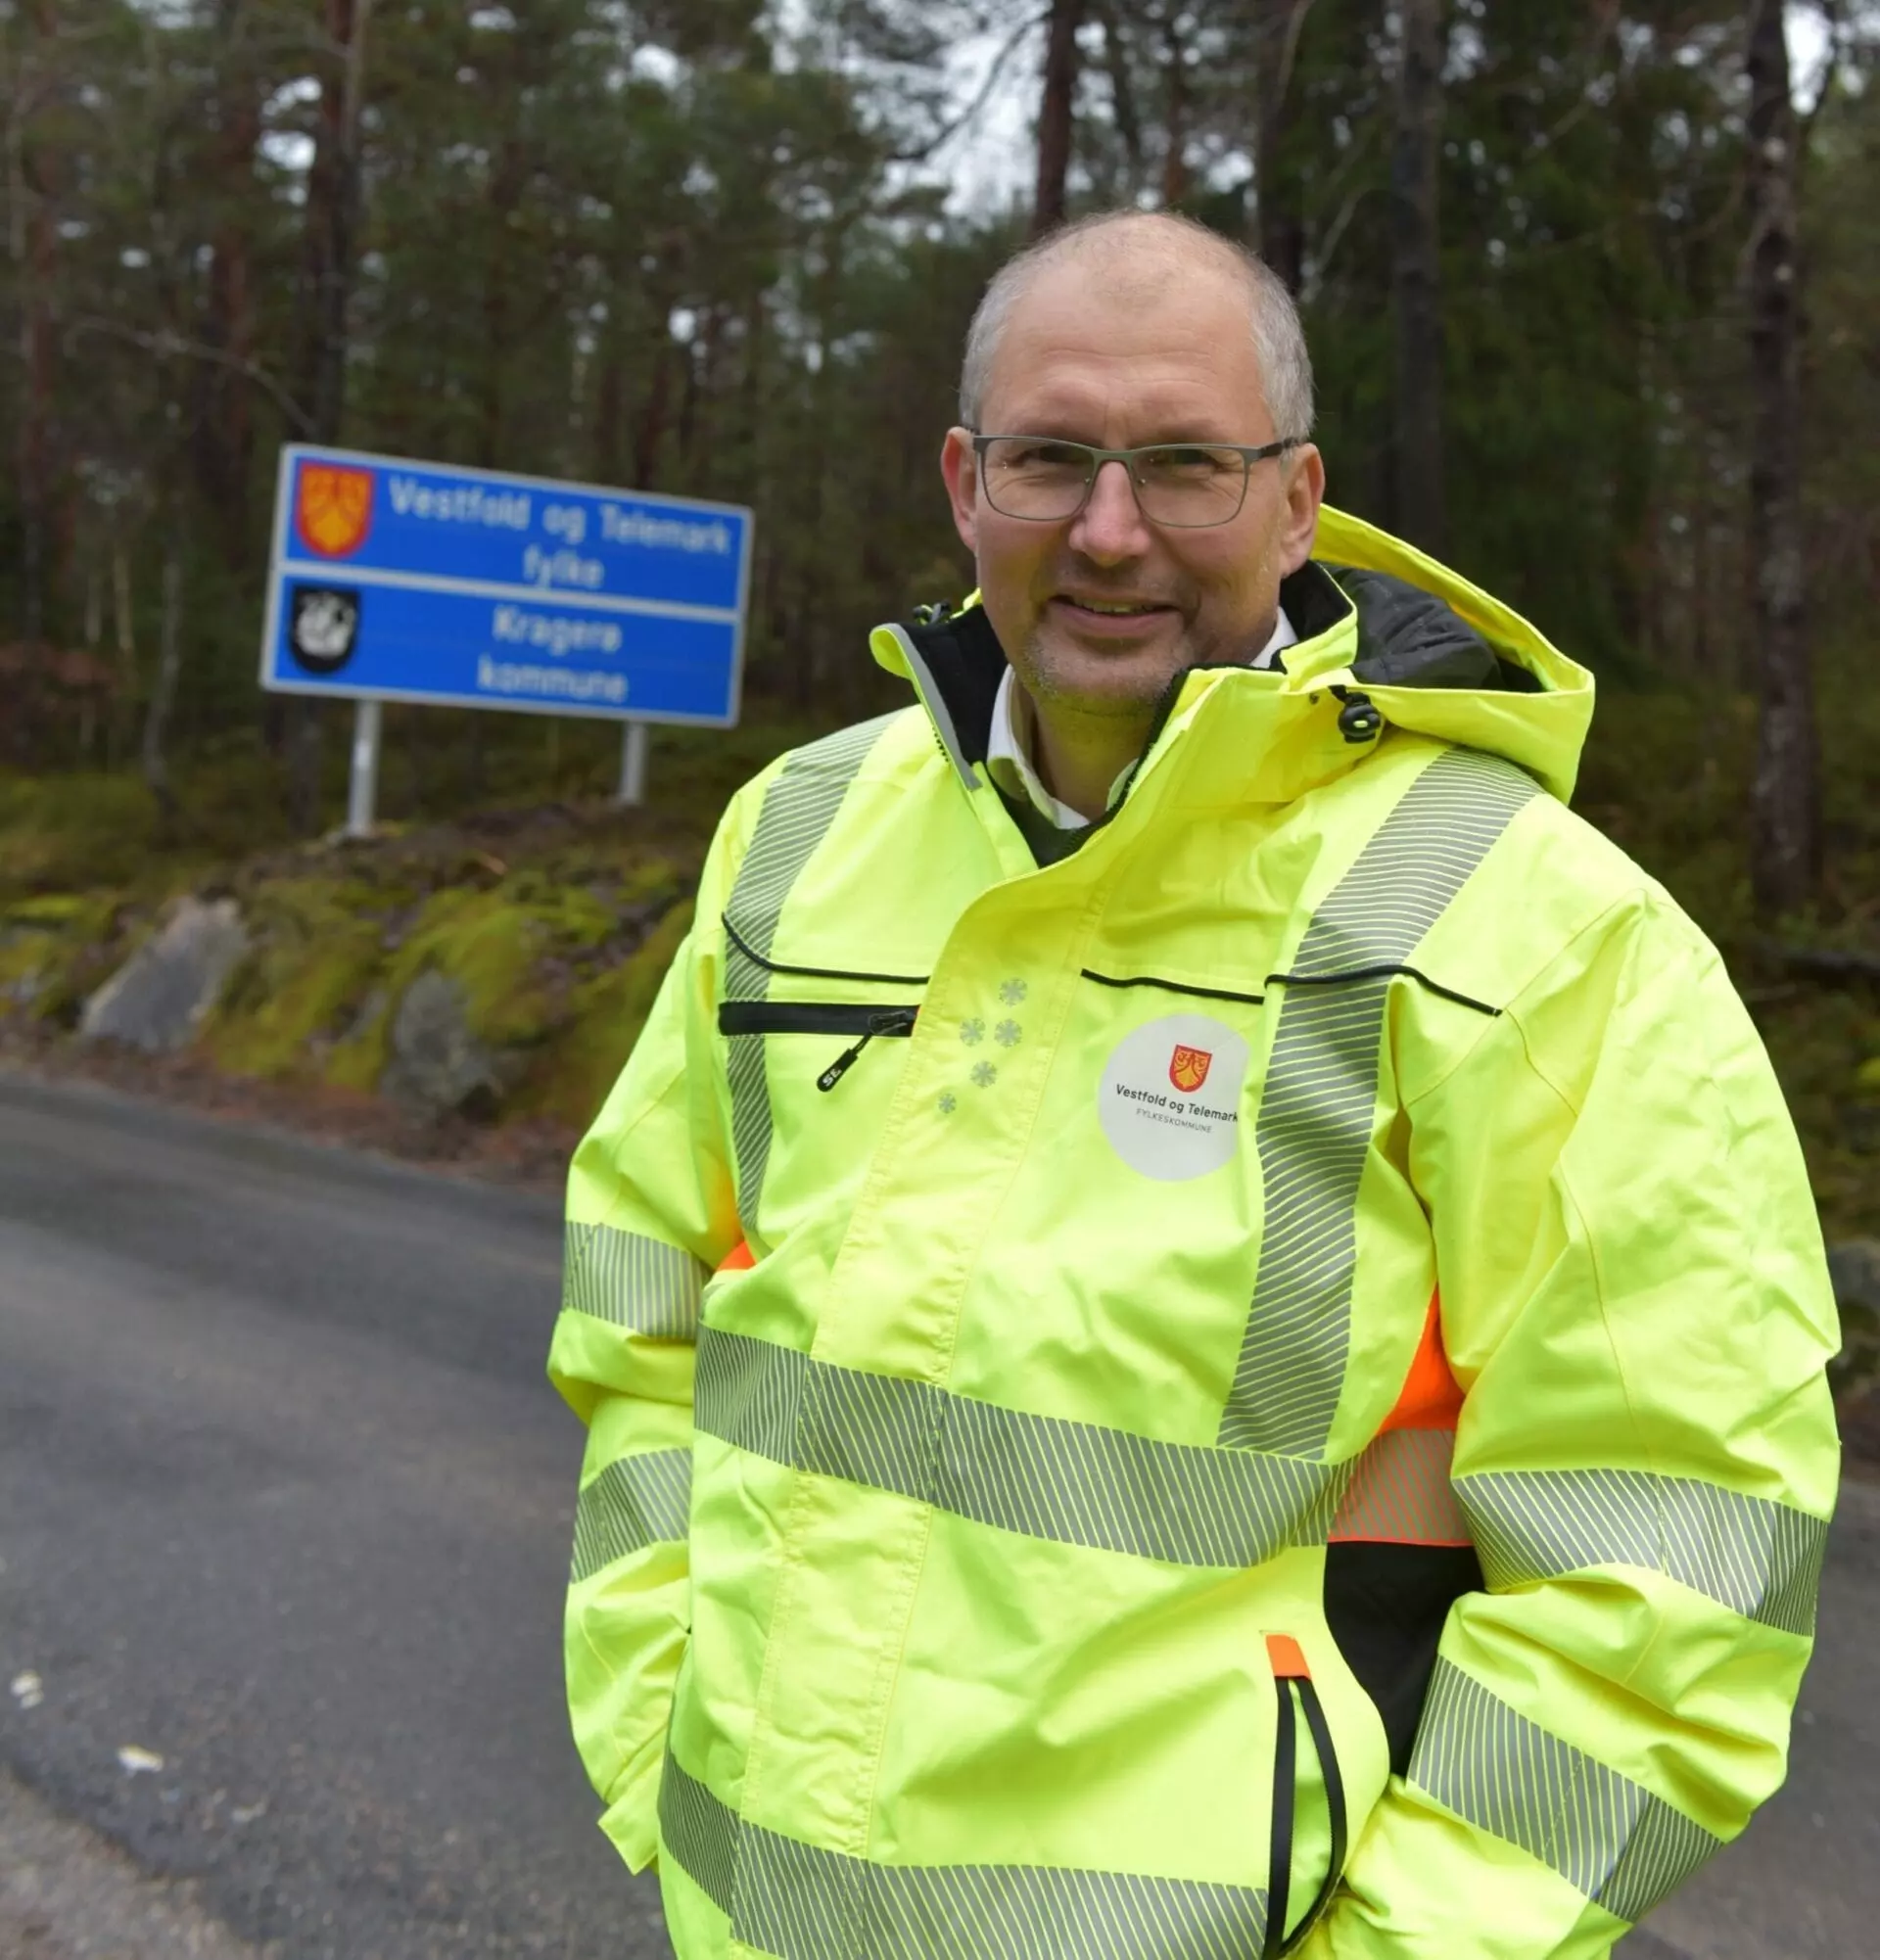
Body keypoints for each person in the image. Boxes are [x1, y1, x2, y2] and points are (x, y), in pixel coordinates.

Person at [547, 210, 1840, 1959]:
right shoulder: (793, 838)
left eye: (1183, 467)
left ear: (1298, 498)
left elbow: (1679, 1547)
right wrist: (654, 1727)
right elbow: (640, 1316)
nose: (1108, 530)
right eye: (1052, 458)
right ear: (963, 479)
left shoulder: (1542, 935)